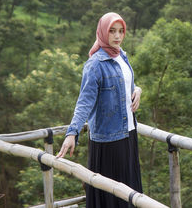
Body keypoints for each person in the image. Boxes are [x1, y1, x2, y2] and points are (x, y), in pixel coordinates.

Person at [56, 12, 143, 207]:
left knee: (128, 194)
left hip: (129, 134)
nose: (117, 36)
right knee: (111, 197)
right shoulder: (95, 65)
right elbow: (84, 102)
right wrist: (72, 133)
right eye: (112, 31)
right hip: (108, 140)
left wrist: (138, 90)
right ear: (103, 32)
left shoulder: (123, 56)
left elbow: (128, 85)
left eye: (121, 31)